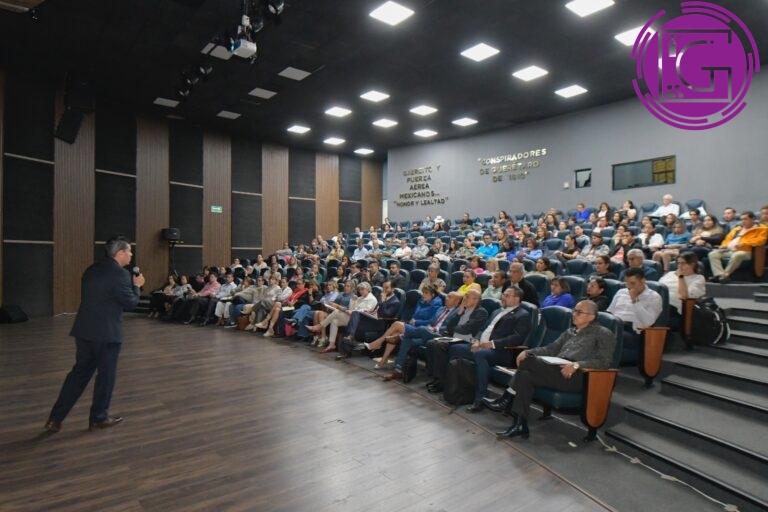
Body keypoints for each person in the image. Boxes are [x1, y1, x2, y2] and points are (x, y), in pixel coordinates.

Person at [45, 237, 145, 433]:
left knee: (78, 375)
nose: (131, 254)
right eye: (129, 251)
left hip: (84, 330)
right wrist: (137, 286)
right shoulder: (121, 274)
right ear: (120, 253)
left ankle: (55, 418)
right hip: (107, 334)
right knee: (106, 377)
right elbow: (131, 303)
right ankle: (99, 418)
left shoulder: (91, 270)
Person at [493, 301, 615, 439]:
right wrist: (529, 352)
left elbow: (604, 362)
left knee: (528, 362)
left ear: (591, 316)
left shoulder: (603, 333)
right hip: (555, 370)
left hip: (577, 376)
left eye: (579, 312)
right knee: (525, 376)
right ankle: (520, 424)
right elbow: (551, 349)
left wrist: (577, 365)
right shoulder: (569, 332)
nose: (574, 314)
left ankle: (507, 398)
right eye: (574, 311)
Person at [449, 286, 532, 412]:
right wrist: (476, 341)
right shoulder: (497, 311)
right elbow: (483, 329)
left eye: (507, 295)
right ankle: (453, 389)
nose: (503, 297)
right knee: (455, 348)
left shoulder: (523, 315)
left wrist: (493, 344)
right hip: (481, 346)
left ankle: (480, 398)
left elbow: (517, 337)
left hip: (503, 352)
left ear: (517, 299)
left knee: (480, 355)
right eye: (503, 294)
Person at [425, 289, 489, 393]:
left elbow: (466, 329)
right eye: (465, 296)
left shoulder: (481, 312)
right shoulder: (462, 309)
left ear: (476, 300)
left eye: (467, 296)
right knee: (431, 343)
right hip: (454, 337)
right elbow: (449, 326)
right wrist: (459, 313)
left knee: (440, 345)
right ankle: (435, 377)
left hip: (467, 340)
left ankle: (441, 382)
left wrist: (454, 328)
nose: (464, 299)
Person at [607, 267, 663, 356]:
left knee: (608, 335)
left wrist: (635, 301)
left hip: (633, 330)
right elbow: (610, 312)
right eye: (627, 283)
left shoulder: (654, 297)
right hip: (616, 324)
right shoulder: (621, 292)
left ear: (643, 281)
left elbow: (648, 322)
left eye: (633, 283)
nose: (629, 287)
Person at [707, 211, 768, 283]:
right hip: (730, 250)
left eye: (745, 219)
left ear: (752, 219)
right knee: (713, 254)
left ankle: (725, 275)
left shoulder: (762, 229)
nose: (743, 221)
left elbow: (760, 241)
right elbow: (727, 239)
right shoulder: (737, 228)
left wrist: (743, 244)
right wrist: (724, 245)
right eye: (741, 219)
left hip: (747, 251)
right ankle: (719, 275)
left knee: (737, 255)